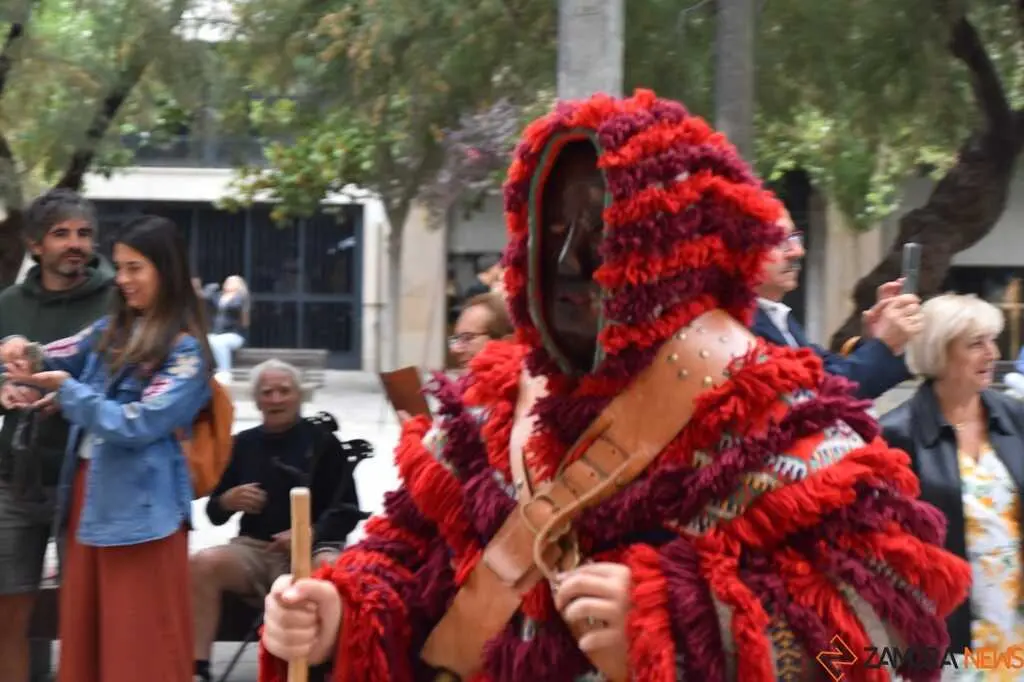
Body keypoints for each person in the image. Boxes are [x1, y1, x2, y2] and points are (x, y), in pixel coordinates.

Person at [258, 90, 970, 681]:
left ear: (672, 255)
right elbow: (404, 563)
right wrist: (337, 614)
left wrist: (693, 629)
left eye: (604, 234)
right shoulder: (483, 410)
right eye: (551, 231)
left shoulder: (779, 424)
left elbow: (899, 640)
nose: (566, 261)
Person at [0, 215, 213, 682]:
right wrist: (18, 354)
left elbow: (137, 423)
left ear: (165, 269)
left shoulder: (188, 352)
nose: (122, 279)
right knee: (88, 637)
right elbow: (54, 353)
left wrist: (71, 395)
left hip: (143, 516)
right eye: (119, 267)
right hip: (89, 500)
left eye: (135, 268)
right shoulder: (112, 329)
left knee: (140, 646)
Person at [190, 359, 364, 682]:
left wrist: (309, 533)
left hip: (313, 548)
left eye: (284, 391)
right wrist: (226, 501)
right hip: (256, 549)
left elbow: (348, 510)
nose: (275, 399)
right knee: (202, 563)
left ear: (299, 396)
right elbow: (214, 514)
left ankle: (326, 667)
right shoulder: (242, 444)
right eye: (267, 392)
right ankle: (198, 668)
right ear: (256, 400)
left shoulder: (323, 442)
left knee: (332, 570)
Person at [0, 189, 114, 682]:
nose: (75, 243)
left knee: (84, 619)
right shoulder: (8, 304)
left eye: (84, 233)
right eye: (61, 233)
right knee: (8, 617)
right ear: (35, 244)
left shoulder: (117, 299)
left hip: (89, 482)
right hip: (15, 480)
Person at [881, 294, 1024, 677]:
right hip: (945, 634)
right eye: (975, 344)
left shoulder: (1015, 416)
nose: (991, 353)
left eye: (992, 340)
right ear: (939, 353)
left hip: (1014, 622)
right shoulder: (897, 434)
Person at [751, 211, 919, 400]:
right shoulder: (733, 325)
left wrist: (877, 339)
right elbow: (817, 399)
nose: (798, 251)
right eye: (779, 241)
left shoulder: (775, 316)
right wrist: (882, 345)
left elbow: (826, 370)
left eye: (794, 238)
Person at [202, 275, 250, 380]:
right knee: (208, 339)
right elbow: (205, 297)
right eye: (227, 281)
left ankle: (224, 371)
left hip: (234, 334)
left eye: (231, 282)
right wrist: (211, 288)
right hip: (216, 333)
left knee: (219, 341)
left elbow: (244, 322)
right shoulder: (218, 296)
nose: (227, 284)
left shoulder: (241, 298)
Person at [448, 292, 514, 369]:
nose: (455, 350)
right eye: (456, 339)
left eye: (467, 338)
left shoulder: (527, 380)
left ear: (505, 342)